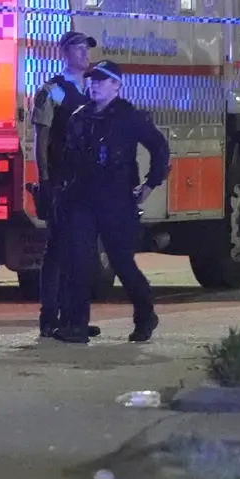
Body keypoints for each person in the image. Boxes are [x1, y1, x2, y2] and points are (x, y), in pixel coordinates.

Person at [53, 60, 170, 345]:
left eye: (102, 81)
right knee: (78, 262)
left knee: (121, 262)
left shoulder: (129, 117)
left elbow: (159, 148)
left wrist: (150, 184)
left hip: (116, 201)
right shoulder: (80, 116)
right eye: (93, 80)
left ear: (117, 85)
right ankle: (76, 326)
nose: (95, 85)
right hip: (82, 200)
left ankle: (145, 317)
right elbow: (66, 157)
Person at [30, 30, 100, 340]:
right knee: (57, 250)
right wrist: (44, 178)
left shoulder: (91, 90)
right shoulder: (55, 90)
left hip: (86, 181)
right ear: (65, 54)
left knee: (80, 251)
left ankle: (74, 317)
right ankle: (50, 317)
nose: (85, 55)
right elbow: (42, 136)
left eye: (87, 50)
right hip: (61, 180)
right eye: (79, 50)